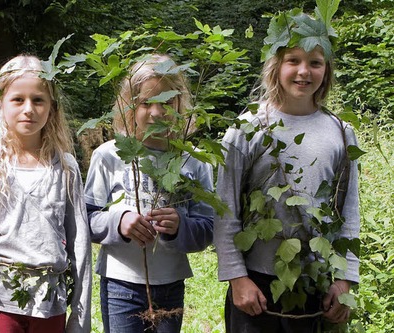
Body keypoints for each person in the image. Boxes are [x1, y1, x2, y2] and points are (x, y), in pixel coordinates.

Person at [214, 8, 360, 333]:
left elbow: (348, 211)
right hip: (256, 288)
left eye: (315, 62)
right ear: (276, 65)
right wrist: (237, 278)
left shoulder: (340, 132)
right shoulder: (248, 128)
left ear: (327, 69)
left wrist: (346, 278)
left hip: (318, 288)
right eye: (293, 60)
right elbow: (225, 210)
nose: (303, 71)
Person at [0, 55, 92, 333]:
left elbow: (80, 245)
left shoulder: (65, 167)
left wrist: (80, 319)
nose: (28, 109)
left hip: (51, 307)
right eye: (18, 99)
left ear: (52, 109)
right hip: (1, 306)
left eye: (38, 100)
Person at [84, 54, 215, 333]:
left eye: (167, 102)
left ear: (181, 105)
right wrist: (118, 221)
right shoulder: (109, 156)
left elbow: (207, 227)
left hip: (170, 284)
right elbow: (87, 219)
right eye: (146, 103)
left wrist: (179, 226)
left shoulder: (194, 160)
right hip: (121, 284)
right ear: (129, 106)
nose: (157, 113)